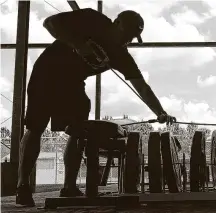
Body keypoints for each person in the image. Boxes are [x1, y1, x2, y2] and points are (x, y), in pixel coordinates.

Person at [16, 8, 176, 207]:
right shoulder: (92, 19)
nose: (128, 40)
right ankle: (22, 186)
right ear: (116, 23)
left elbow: (141, 86)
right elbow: (49, 22)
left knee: (79, 129)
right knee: (35, 127)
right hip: (46, 73)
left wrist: (160, 112)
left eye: (132, 38)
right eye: (126, 34)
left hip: (72, 83)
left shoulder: (121, 55)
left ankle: (69, 186)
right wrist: (77, 43)